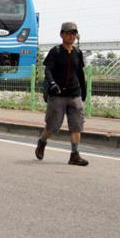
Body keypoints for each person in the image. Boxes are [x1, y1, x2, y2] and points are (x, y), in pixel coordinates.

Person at [35, 22, 89, 166]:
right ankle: (42, 142)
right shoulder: (56, 51)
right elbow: (48, 70)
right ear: (62, 34)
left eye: (74, 33)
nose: (72, 36)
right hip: (58, 95)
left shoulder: (77, 52)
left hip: (74, 94)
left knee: (76, 125)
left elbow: (80, 73)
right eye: (69, 33)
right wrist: (52, 83)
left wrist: (84, 92)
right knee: (52, 126)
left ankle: (74, 155)